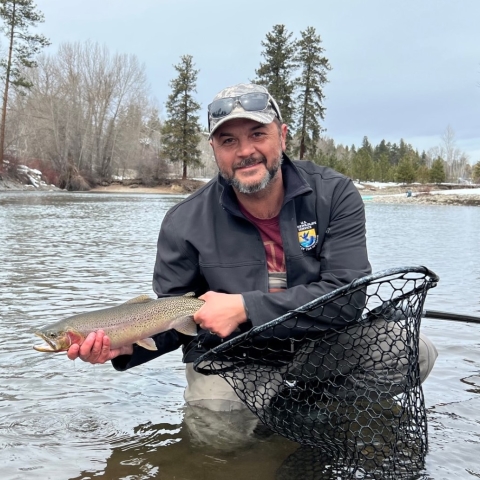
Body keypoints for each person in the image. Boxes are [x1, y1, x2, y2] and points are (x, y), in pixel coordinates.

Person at [67, 83, 437, 413]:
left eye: (258, 134)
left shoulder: (334, 194)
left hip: (319, 345)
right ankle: (257, 420)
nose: (245, 151)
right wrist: (125, 344)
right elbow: (175, 318)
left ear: (283, 136)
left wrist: (244, 306)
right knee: (217, 427)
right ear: (214, 149)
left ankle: (313, 410)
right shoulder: (183, 222)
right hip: (233, 356)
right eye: (228, 141)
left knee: (412, 353)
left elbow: (347, 299)